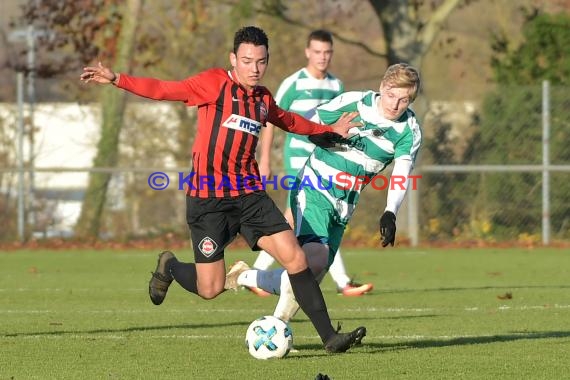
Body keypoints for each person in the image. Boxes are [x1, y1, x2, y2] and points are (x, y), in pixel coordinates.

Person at [80, 26, 366, 353]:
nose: (254, 68)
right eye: (247, 61)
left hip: (249, 196)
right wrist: (118, 79)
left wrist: (329, 130)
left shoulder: (262, 98)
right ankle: (170, 266)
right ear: (234, 59)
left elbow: (288, 120)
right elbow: (163, 89)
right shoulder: (213, 83)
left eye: (261, 61)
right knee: (210, 288)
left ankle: (330, 338)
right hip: (209, 200)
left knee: (295, 257)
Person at [226, 63, 422, 325]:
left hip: (345, 203)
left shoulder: (409, 130)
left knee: (309, 278)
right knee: (313, 262)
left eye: (404, 100)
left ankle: (244, 278)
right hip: (314, 186)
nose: (395, 105)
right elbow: (311, 123)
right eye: (391, 95)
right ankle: (275, 329)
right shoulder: (354, 102)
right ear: (382, 87)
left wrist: (390, 211)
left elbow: (402, 171)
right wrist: (321, 137)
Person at [252, 29, 373, 297]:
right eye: (317, 52)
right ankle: (342, 282)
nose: (322, 57)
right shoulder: (293, 83)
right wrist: (265, 160)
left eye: (327, 52)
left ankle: (256, 274)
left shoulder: (335, 85)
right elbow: (270, 119)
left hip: (325, 160)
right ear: (308, 52)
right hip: (298, 158)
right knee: (319, 214)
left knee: (297, 218)